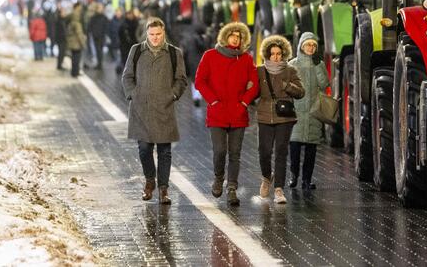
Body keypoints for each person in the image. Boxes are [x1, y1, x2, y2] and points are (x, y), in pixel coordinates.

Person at [122, 17, 188, 204]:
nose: (155, 38)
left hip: (164, 108)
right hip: (141, 108)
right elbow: (127, 76)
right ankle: (150, 181)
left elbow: (181, 79)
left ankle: (163, 189)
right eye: (152, 35)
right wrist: (133, 95)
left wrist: (173, 95)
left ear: (163, 33)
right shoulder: (136, 51)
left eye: (158, 34)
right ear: (147, 33)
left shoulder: (174, 53)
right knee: (144, 149)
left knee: (165, 151)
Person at [194, 22, 258, 206]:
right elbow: (200, 80)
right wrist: (212, 100)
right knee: (220, 150)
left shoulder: (246, 59)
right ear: (225, 37)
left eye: (239, 37)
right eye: (232, 36)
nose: (235, 39)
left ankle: (231, 188)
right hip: (218, 113)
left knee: (235, 153)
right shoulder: (210, 56)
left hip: (238, 113)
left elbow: (253, 83)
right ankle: (218, 177)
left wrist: (244, 102)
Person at [254, 35, 303, 204]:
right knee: (264, 151)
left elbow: (301, 92)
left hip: (284, 117)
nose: (276, 57)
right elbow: (254, 92)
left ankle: (279, 189)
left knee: (281, 151)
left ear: (284, 54)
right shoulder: (259, 71)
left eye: (279, 54)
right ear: (267, 55)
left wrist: (286, 86)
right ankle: (267, 177)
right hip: (265, 116)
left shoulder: (290, 71)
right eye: (272, 54)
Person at [287, 32, 328, 191]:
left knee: (311, 151)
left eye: (313, 45)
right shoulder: (292, 64)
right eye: (307, 45)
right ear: (301, 46)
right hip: (296, 113)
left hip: (313, 113)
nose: (310, 48)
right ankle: (294, 176)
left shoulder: (319, 64)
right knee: (295, 149)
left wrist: (317, 66)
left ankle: (306, 180)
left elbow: (324, 84)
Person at [65, 3, 87, 78]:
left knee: (74, 58)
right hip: (77, 43)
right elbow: (79, 35)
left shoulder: (70, 22)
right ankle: (75, 72)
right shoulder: (77, 24)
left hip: (72, 43)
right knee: (77, 59)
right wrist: (83, 44)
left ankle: (74, 72)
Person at [87, 3, 109, 69]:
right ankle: (99, 64)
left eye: (101, 8)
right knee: (97, 50)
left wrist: (105, 34)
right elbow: (90, 26)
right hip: (95, 36)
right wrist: (90, 33)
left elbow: (106, 27)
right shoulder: (93, 17)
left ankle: (100, 64)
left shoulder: (104, 17)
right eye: (99, 8)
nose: (100, 9)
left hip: (102, 36)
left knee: (100, 50)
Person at [118, 9, 139, 75]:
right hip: (125, 45)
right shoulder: (123, 24)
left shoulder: (136, 22)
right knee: (126, 59)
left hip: (134, 44)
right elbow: (120, 34)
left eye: (131, 14)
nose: (130, 16)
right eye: (128, 14)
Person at [55, 6, 69, 70]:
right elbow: (60, 31)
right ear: (60, 13)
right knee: (61, 52)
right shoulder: (59, 21)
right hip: (61, 39)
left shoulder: (63, 20)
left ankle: (60, 64)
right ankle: (59, 65)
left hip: (62, 39)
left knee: (62, 52)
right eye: (64, 12)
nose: (65, 13)